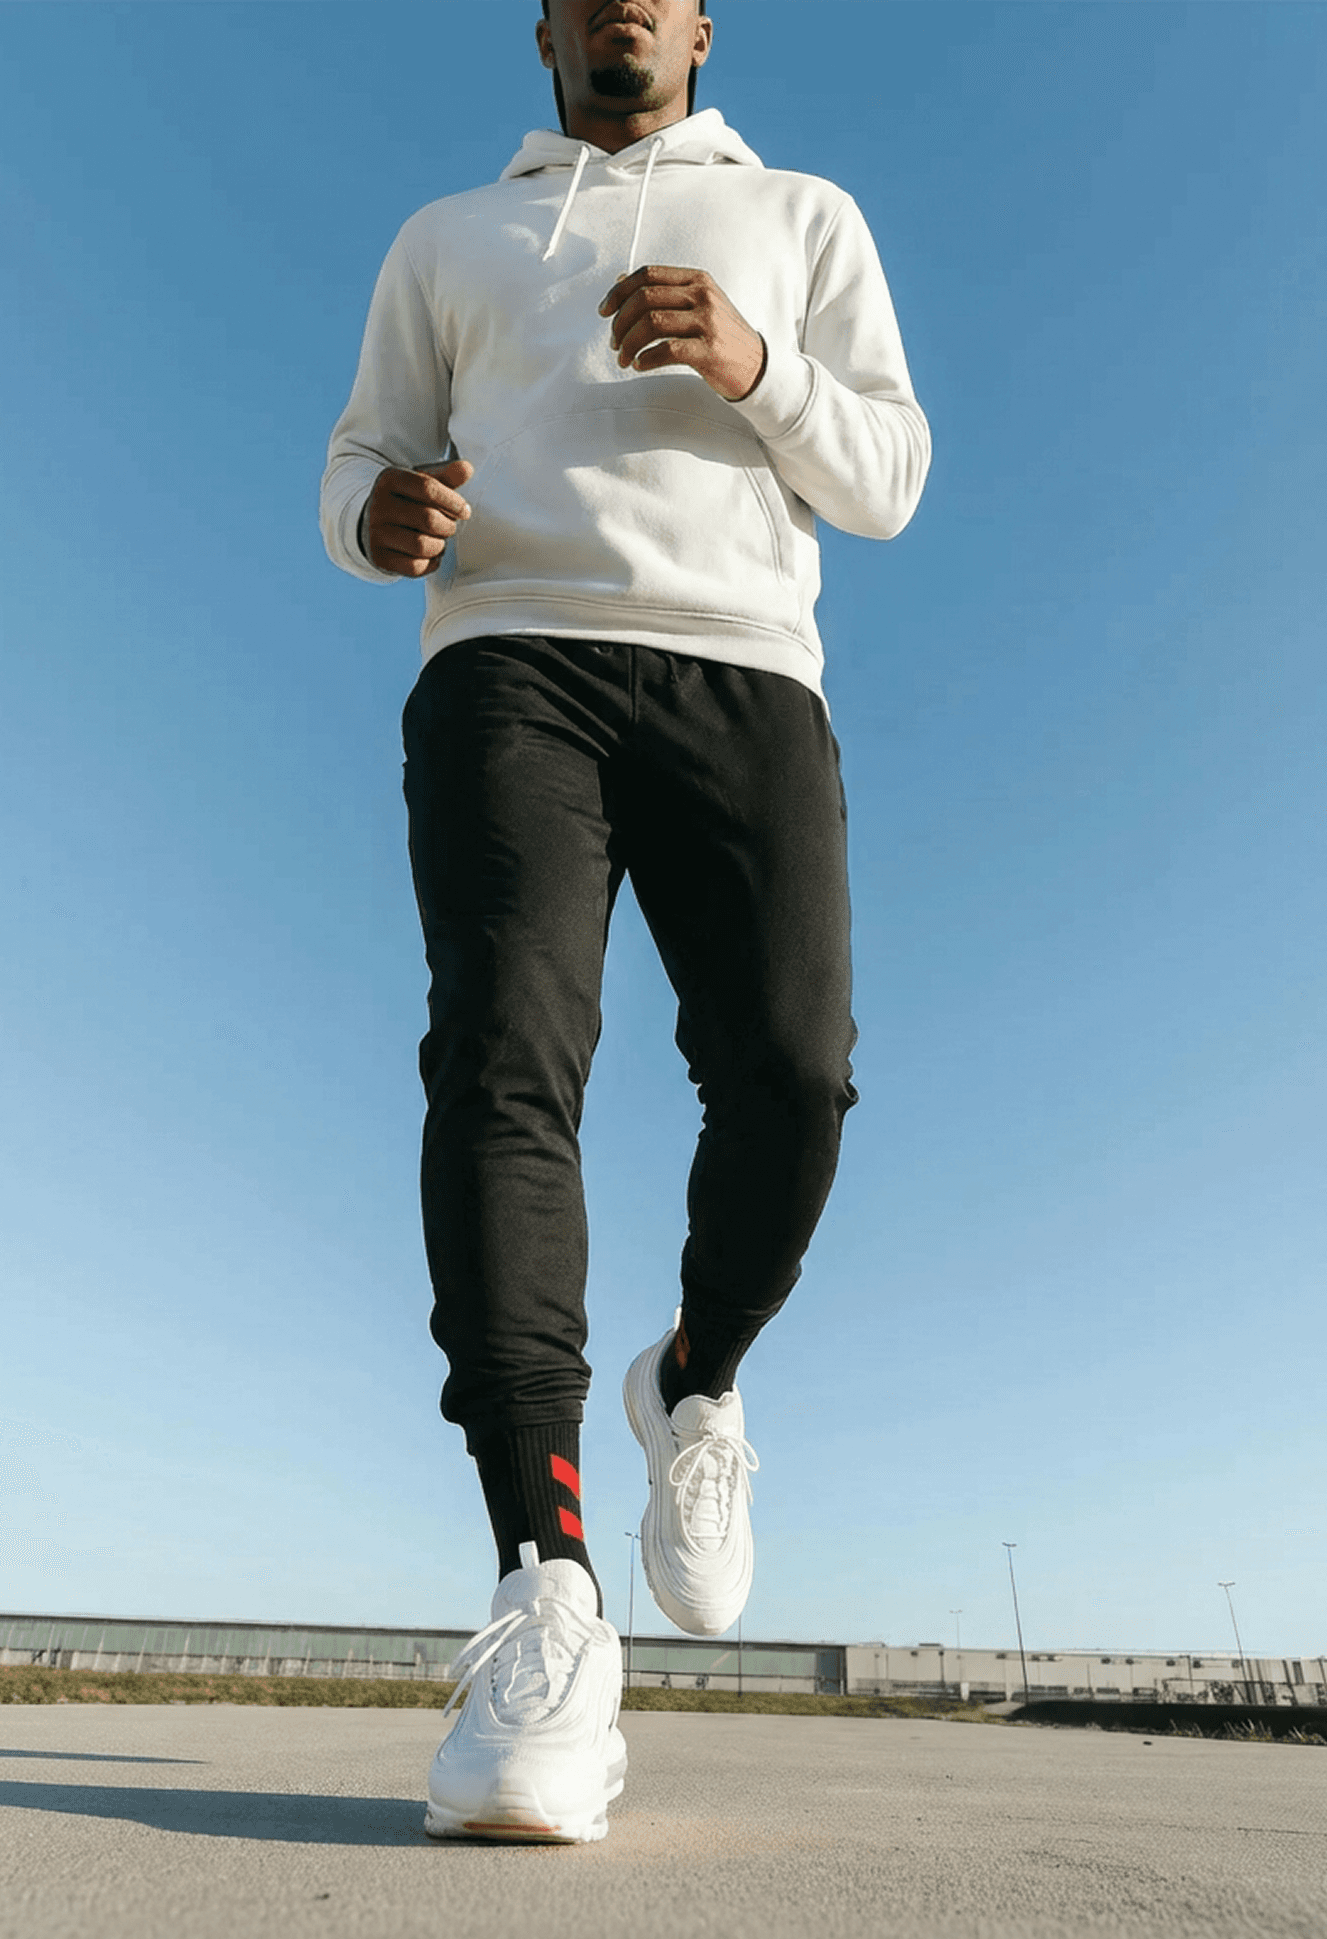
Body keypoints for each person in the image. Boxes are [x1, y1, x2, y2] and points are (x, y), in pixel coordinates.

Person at [320, 0, 930, 1842]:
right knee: (503, 1065)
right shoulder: (448, 237)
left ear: (700, 24)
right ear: (545, 28)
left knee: (794, 1076)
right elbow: (358, 461)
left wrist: (753, 363)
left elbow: (887, 482)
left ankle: (698, 1377)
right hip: (509, 664)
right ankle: (546, 1592)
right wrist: (379, 519)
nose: (620, 6)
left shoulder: (805, 214)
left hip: (743, 669)